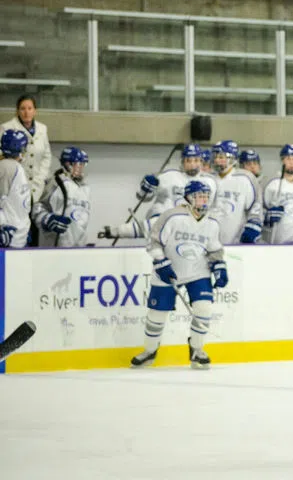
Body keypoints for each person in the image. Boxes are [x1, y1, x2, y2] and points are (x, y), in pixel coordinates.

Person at [130, 181, 225, 370]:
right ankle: (150, 350)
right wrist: (161, 262)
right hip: (168, 271)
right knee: (157, 315)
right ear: (188, 197)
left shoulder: (212, 222)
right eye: (199, 196)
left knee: (203, 309)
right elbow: (154, 242)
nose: (203, 200)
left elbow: (214, 249)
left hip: (198, 272)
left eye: (206, 196)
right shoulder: (172, 216)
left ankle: (197, 349)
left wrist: (219, 266)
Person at [97, 144, 216, 241]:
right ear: (182, 162)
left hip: (190, 226)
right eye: (188, 160)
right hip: (165, 221)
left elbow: (209, 208)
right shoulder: (168, 176)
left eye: (196, 160)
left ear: (201, 161)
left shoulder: (209, 182)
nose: (192, 164)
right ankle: (115, 231)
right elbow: (144, 197)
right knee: (159, 221)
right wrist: (146, 189)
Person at [32, 147, 91, 248]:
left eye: (83, 164)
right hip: (56, 247)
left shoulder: (84, 188)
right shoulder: (56, 183)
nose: (81, 168)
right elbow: (38, 208)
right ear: (68, 164)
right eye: (79, 164)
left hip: (78, 248)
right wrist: (47, 219)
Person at [209, 140, 263, 244]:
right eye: (215, 157)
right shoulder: (208, 179)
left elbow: (256, 206)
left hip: (236, 242)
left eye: (221, 157)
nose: (216, 160)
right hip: (210, 242)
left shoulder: (245, 178)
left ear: (232, 158)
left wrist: (253, 226)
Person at [1, 95, 52, 204]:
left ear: (35, 111)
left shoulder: (42, 129)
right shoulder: (6, 128)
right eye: (23, 108)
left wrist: (40, 178)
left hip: (38, 186)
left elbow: (46, 156)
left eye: (30, 108)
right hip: (14, 186)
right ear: (17, 111)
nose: (26, 112)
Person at [0, 130, 31, 248]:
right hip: (9, 236)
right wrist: (2, 225)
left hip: (18, 235)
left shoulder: (18, 167)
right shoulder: (7, 167)